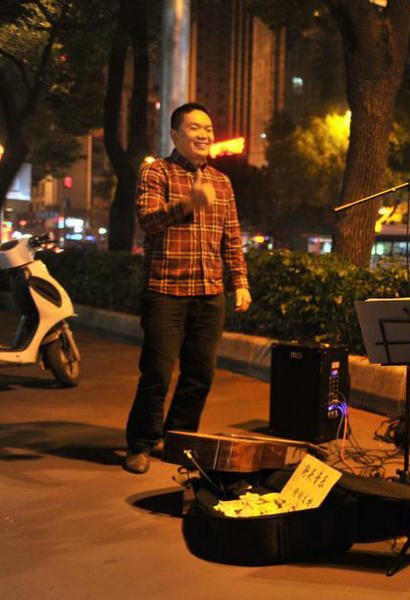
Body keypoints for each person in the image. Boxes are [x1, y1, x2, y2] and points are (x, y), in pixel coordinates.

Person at [123, 102, 251, 474]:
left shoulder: (222, 182)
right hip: (164, 291)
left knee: (200, 376)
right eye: (195, 128)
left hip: (210, 294)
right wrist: (186, 204)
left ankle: (178, 441)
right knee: (157, 373)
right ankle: (142, 443)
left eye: (208, 130)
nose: (204, 135)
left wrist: (239, 283)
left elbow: (232, 237)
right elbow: (147, 221)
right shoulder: (155, 172)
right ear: (175, 134)